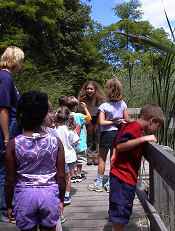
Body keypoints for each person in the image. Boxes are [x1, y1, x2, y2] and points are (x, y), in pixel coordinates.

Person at [5, 91, 66, 231]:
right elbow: (61, 177)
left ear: (21, 115)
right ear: (44, 115)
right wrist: (61, 199)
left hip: (24, 196)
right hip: (49, 195)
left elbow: (9, 180)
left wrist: (9, 204)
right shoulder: (55, 142)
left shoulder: (13, 144)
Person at [109, 104, 164, 231]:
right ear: (152, 121)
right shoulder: (134, 128)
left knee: (120, 212)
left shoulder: (131, 126)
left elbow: (117, 142)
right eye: (158, 126)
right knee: (120, 213)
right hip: (123, 178)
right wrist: (143, 138)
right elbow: (121, 146)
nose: (157, 130)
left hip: (121, 177)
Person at [88, 78, 129, 193]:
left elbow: (101, 122)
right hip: (118, 134)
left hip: (107, 134)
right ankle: (111, 183)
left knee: (102, 159)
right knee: (113, 159)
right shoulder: (123, 104)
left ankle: (99, 183)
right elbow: (126, 120)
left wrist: (112, 121)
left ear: (108, 91)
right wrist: (118, 122)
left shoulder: (104, 106)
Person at [0, 46, 24, 221]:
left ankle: (8, 205)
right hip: (7, 129)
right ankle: (4, 208)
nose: (22, 64)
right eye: (21, 60)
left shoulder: (6, 77)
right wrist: (7, 137)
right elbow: (3, 109)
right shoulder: (5, 77)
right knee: (4, 169)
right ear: (15, 60)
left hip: (11, 127)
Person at [54, 106, 79, 206]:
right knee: (68, 178)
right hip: (70, 157)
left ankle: (58, 194)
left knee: (58, 177)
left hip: (58, 157)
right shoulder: (70, 130)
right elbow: (76, 142)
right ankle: (67, 195)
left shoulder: (54, 130)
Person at [78, 81, 105, 165]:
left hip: (97, 119)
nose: (89, 90)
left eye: (91, 89)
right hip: (87, 120)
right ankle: (89, 156)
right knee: (89, 138)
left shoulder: (100, 99)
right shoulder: (83, 99)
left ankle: (96, 156)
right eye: (88, 89)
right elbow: (80, 110)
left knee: (97, 138)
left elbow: (102, 110)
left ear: (95, 90)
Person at [66, 96, 91, 182]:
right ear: (76, 106)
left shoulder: (65, 116)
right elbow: (89, 119)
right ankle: (78, 174)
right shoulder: (79, 116)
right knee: (80, 159)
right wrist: (85, 108)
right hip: (80, 143)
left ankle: (72, 175)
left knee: (72, 159)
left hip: (69, 143)